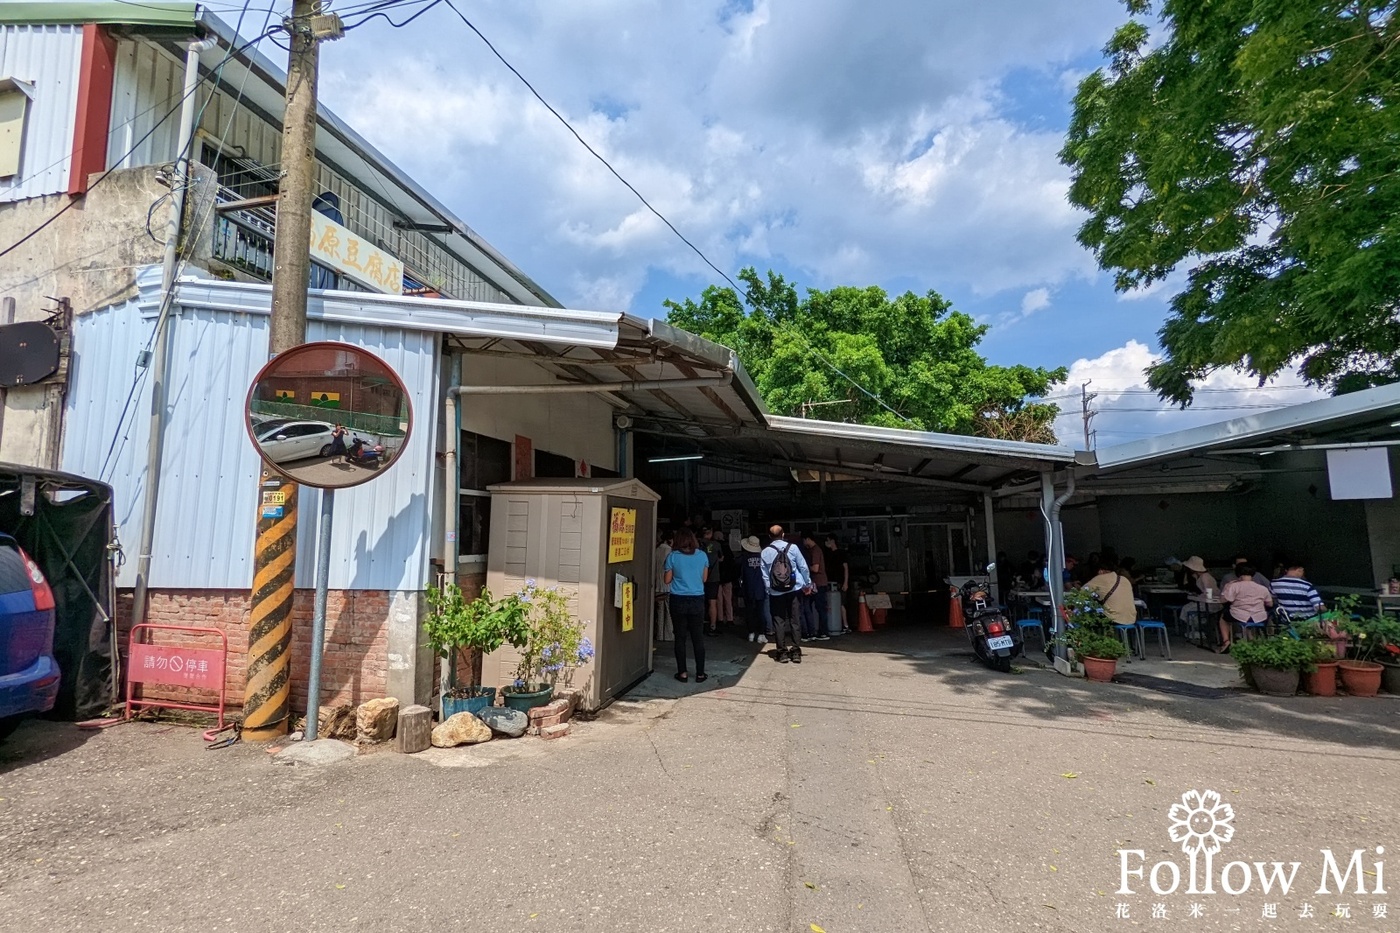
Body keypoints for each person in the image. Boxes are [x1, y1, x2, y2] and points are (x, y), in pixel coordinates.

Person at [664, 529, 710, 683]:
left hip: (678, 599)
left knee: (680, 637)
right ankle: (700, 674)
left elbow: (667, 580)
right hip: (697, 599)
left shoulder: (672, 557)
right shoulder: (702, 555)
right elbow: (704, 579)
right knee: (698, 638)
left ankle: (682, 673)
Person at [761, 525, 811, 663]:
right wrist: (807, 583)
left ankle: (782, 652)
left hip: (776, 592)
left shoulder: (765, 552)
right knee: (795, 620)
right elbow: (803, 567)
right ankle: (795, 651)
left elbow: (765, 575)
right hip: (793, 589)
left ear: (770, 536)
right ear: (783, 535)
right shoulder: (793, 548)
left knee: (779, 621)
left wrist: (769, 590)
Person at [1219, 563, 1273, 652]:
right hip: (1259, 616)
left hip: (1239, 615)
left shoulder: (1234, 586)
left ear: (1237, 574)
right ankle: (1251, 639)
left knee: (1223, 618)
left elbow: (1224, 600)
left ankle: (1226, 641)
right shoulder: (1262, 588)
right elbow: (1270, 604)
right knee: (1248, 621)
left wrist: (1226, 588)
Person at [1083, 556, 1136, 624]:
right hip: (1131, 618)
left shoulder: (1100, 578)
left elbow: (1082, 591)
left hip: (1113, 618)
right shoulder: (1125, 579)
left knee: (1088, 616)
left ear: (1100, 570)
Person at [801, 531, 829, 639]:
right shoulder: (812, 550)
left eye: (804, 540)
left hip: (819, 583)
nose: (803, 543)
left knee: (820, 608)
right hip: (815, 583)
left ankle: (823, 632)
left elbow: (815, 568)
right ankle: (815, 631)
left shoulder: (816, 551)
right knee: (811, 607)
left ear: (808, 539)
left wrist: (805, 566)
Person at [740, 535, 769, 644]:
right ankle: (761, 634)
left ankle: (751, 633)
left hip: (748, 587)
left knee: (749, 611)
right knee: (760, 611)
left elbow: (741, 572)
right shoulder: (763, 557)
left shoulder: (743, 558)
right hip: (760, 587)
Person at [825, 532, 851, 633]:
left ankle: (845, 625)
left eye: (827, 540)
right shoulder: (828, 554)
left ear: (832, 541)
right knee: (832, 604)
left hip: (840, 582)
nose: (826, 543)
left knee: (841, 604)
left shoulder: (841, 553)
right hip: (830, 582)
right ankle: (836, 624)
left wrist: (846, 582)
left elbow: (846, 568)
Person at [653, 530, 674, 642]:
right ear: (670, 540)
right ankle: (668, 635)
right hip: (667, 585)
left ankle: (659, 635)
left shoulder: (656, 549)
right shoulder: (669, 551)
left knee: (659, 611)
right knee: (668, 612)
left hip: (657, 585)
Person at [701, 527, 722, 636]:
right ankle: (712, 626)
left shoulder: (697, 544)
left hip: (699, 577)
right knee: (712, 602)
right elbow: (721, 558)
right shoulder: (716, 545)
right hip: (713, 577)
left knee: (700, 601)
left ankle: (699, 624)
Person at [717, 540, 737, 632]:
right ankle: (730, 619)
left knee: (719, 600)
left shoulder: (715, 550)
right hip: (728, 578)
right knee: (728, 599)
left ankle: (720, 619)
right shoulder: (729, 552)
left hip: (717, 578)